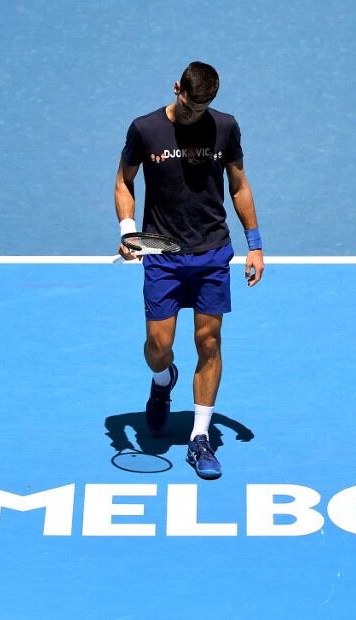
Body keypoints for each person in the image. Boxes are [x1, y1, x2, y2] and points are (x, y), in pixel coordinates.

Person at [114, 61, 264, 480]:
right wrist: (129, 231)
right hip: (163, 256)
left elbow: (239, 184)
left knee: (209, 342)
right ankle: (163, 382)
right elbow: (124, 181)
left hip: (212, 252)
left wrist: (255, 246)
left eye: (202, 108)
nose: (194, 114)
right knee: (158, 348)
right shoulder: (144, 129)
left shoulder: (226, 127)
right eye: (189, 104)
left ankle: (199, 438)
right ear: (177, 88)